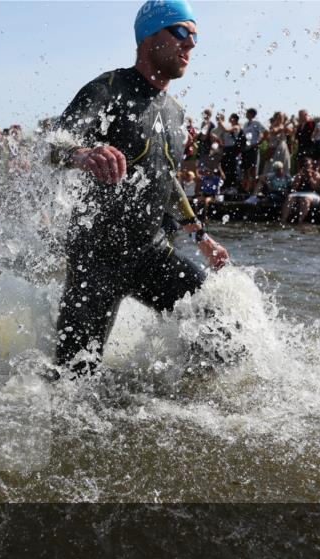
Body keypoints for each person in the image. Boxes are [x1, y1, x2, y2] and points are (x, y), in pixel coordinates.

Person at [48, 0, 230, 375]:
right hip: (95, 260)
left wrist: (200, 235)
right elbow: (52, 146)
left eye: (196, 36)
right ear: (149, 36)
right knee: (71, 380)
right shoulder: (108, 90)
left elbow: (167, 182)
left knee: (221, 331)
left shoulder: (177, 113)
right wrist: (82, 153)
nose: (191, 45)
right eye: (181, 32)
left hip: (151, 255)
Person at [281, 158, 320, 225]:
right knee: (289, 198)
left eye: (308, 165)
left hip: (312, 194)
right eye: (305, 165)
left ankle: (300, 221)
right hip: (299, 193)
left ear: (311, 165)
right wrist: (299, 177)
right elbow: (294, 187)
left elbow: (315, 187)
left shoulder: (316, 174)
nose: (307, 167)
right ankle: (283, 220)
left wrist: (310, 177)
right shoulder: (299, 175)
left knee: (305, 199)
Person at [241, 108, 265, 194]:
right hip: (246, 149)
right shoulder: (245, 124)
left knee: (253, 168)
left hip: (253, 148)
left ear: (251, 114)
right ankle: (245, 188)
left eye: (247, 113)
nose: (246, 114)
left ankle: (253, 189)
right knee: (245, 169)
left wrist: (259, 143)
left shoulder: (257, 123)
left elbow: (265, 132)